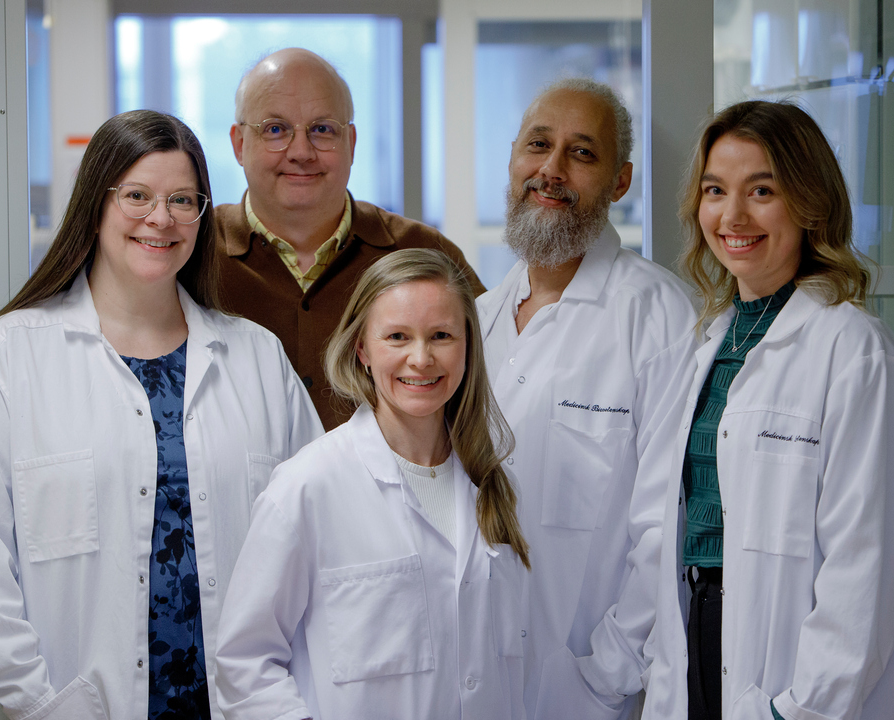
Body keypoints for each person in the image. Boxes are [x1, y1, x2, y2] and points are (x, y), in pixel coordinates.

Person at [0, 109, 323, 720]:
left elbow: (317, 546)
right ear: (96, 204)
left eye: (182, 200)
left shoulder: (257, 359)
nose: (160, 218)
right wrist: (46, 705)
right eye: (137, 195)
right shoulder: (9, 357)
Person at [642, 100, 894, 719]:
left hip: (796, 677)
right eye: (715, 190)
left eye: (760, 190)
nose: (732, 215)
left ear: (808, 202)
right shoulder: (711, 341)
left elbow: (867, 565)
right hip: (702, 632)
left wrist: (797, 709)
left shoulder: (853, 349)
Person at [213, 248, 529, 720]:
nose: (420, 359)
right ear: (362, 347)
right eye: (397, 336)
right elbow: (243, 667)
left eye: (441, 335)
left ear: (467, 347)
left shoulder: (494, 484)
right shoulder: (308, 487)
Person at [477, 78, 699, 720]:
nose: (551, 170)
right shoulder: (480, 316)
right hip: (477, 677)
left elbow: (668, 530)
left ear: (620, 181)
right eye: (538, 146)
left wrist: (605, 678)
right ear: (514, 159)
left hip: (589, 691)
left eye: (582, 153)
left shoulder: (658, 318)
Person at [216, 48, 483, 430]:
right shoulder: (190, 252)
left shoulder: (425, 253)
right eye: (275, 130)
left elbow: (492, 381)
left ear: (352, 143)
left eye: (323, 129)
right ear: (239, 144)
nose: (301, 152)